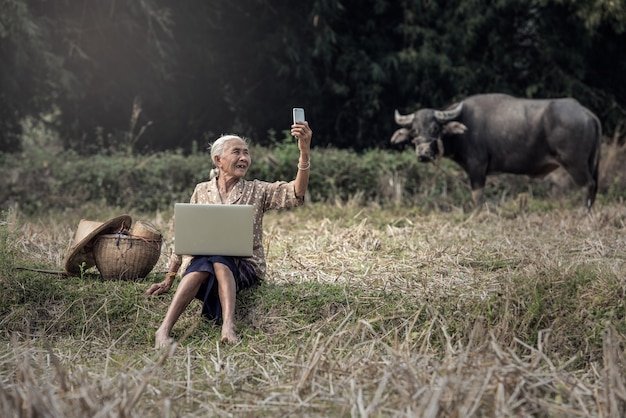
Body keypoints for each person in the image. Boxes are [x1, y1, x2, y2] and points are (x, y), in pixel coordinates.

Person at [145, 120, 312, 348]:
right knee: (205, 261)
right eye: (237, 152)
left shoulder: (257, 190)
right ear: (218, 160)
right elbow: (186, 237)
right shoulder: (201, 190)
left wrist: (304, 151)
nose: (244, 158)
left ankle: (228, 325)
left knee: (220, 258)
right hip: (201, 267)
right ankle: (163, 331)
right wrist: (169, 278)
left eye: (246, 153)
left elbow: (296, 192)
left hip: (244, 266)